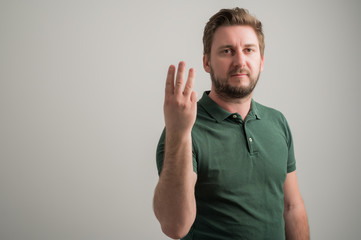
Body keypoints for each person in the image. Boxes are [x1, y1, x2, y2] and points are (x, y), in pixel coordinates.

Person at [153, 7, 309, 240]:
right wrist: (178, 132)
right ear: (207, 62)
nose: (240, 61)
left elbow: (292, 208)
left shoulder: (277, 122)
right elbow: (175, 227)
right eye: (227, 51)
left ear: (261, 60)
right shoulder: (184, 130)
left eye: (249, 50)